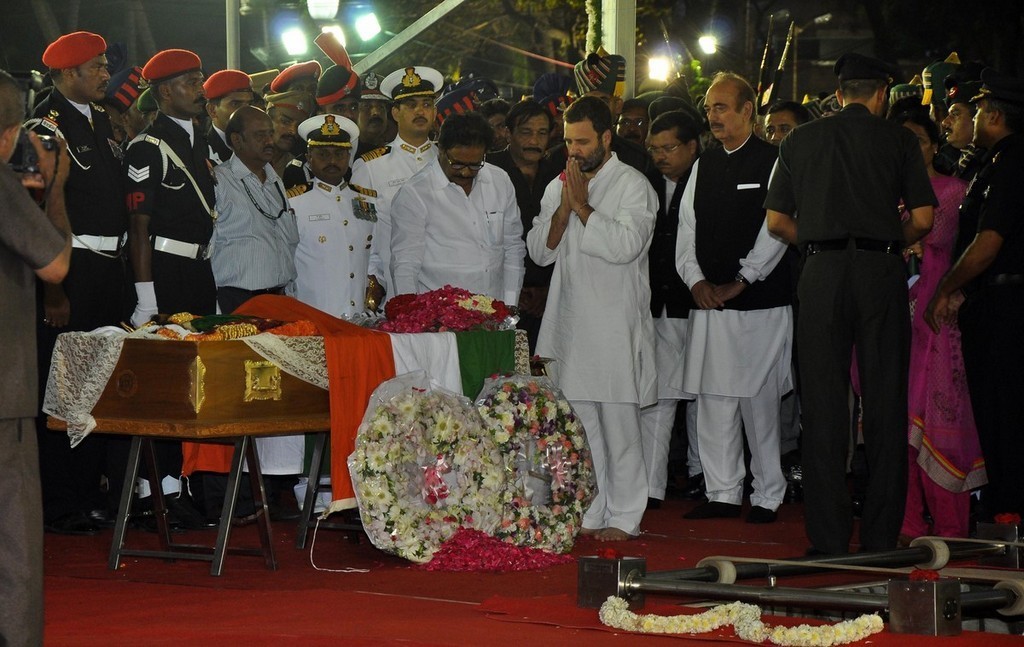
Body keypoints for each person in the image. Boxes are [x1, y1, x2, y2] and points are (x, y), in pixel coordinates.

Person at [765, 52, 936, 554]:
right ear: (881, 94)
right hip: (881, 271)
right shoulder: (899, 138)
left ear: (838, 94)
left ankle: (828, 536)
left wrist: (818, 244)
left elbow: (776, 222)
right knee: (884, 403)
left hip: (820, 272)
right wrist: (890, 242)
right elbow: (924, 219)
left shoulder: (800, 138)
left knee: (821, 406)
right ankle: (882, 536)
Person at [526, 96, 658, 542]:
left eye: (582, 142)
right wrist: (565, 207)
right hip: (571, 320)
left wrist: (583, 207)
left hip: (615, 322)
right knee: (582, 425)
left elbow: (626, 247)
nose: (574, 151)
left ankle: (627, 515)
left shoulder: (633, 185)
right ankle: (594, 509)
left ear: (606, 137)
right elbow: (539, 252)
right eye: (567, 141)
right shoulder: (558, 184)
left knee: (621, 426)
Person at [675, 73, 793, 524]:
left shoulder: (776, 160)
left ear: (748, 110)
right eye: (709, 109)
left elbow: (778, 229)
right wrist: (696, 281)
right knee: (713, 395)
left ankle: (768, 494)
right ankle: (722, 491)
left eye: (721, 107)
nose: (713, 116)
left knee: (757, 397)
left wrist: (743, 279)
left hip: (759, 300)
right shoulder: (704, 163)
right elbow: (687, 230)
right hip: (709, 299)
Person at [29, 31, 133, 535]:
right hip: (72, 271)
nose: (103, 74)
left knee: (99, 385)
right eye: (95, 67)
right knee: (63, 386)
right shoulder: (46, 128)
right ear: (67, 73)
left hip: (108, 270)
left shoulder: (99, 122)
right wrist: (54, 289)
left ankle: (92, 493)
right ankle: (60, 501)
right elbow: (43, 212)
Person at [123, 48, 218, 528]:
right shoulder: (147, 146)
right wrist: (145, 298)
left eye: (200, 80)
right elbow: (139, 227)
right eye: (190, 82)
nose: (200, 89)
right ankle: (156, 491)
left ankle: (184, 484)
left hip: (198, 274)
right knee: (163, 387)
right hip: (163, 271)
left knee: (192, 387)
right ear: (163, 93)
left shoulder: (199, 140)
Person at [925, 69, 1024, 521]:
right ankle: (1007, 513)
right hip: (994, 304)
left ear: (997, 114)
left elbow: (988, 243)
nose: (975, 116)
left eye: (980, 109)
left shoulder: (1012, 161)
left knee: (1006, 415)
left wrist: (946, 287)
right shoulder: (993, 162)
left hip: (1007, 307)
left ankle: (1013, 517)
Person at [889, 109, 985, 542]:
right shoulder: (882, 193)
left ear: (932, 145)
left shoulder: (954, 191)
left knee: (936, 416)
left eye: (919, 140)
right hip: (892, 308)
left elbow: (971, 252)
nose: (911, 148)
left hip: (936, 311)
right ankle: (907, 525)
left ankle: (950, 527)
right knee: (895, 419)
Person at [0, 68, 72, 647]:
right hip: (2, 390)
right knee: (13, 536)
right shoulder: (1, 181)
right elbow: (54, 264)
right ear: (9, 133)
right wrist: (53, 188)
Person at [391, 112, 525, 304]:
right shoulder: (415, 193)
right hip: (441, 317)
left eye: (474, 165)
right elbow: (405, 263)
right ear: (441, 150)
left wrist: (511, 304)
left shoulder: (499, 181)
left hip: (495, 310)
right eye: (457, 163)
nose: (465, 172)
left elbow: (513, 247)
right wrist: (411, 314)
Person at [640, 109, 701, 509]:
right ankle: (651, 486)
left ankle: (704, 477)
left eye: (669, 148)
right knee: (660, 396)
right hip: (657, 305)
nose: (661, 156)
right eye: (654, 149)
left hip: (701, 303)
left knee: (707, 397)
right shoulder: (643, 183)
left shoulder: (709, 179)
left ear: (692, 147)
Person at [350, 65, 444, 298]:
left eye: (426, 104)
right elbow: (361, 230)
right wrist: (372, 279)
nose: (420, 111)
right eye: (411, 105)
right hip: (393, 286)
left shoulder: (447, 162)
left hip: (444, 282)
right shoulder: (371, 166)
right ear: (395, 113)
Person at [487, 100, 564, 351]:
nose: (535, 140)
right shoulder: (488, 170)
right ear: (508, 133)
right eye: (526, 132)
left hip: (549, 296)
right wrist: (513, 290)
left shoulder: (559, 172)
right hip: (498, 294)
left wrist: (548, 290)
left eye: (542, 133)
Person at [289, 113, 383, 316]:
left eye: (339, 154)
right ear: (308, 158)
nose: (332, 160)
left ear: (349, 157)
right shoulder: (294, 202)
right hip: (313, 316)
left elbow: (375, 253)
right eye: (323, 154)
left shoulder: (366, 200)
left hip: (359, 316)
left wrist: (375, 285)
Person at [210, 105, 298, 314]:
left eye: (270, 134)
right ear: (237, 140)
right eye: (260, 135)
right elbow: (209, 246)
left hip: (279, 298)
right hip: (237, 300)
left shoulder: (276, 181)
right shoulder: (219, 181)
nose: (269, 141)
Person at [202, 69, 255, 165]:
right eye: (235, 104)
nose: (245, 111)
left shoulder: (259, 144)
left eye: (249, 104)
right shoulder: (202, 152)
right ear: (212, 110)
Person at [264, 90, 314, 179]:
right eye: (286, 122)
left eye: (298, 126)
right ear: (267, 120)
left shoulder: (297, 169)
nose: (293, 131)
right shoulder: (245, 158)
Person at [355, 71, 391, 157]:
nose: (376, 112)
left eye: (381, 107)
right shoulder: (345, 156)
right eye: (366, 106)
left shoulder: (396, 153)